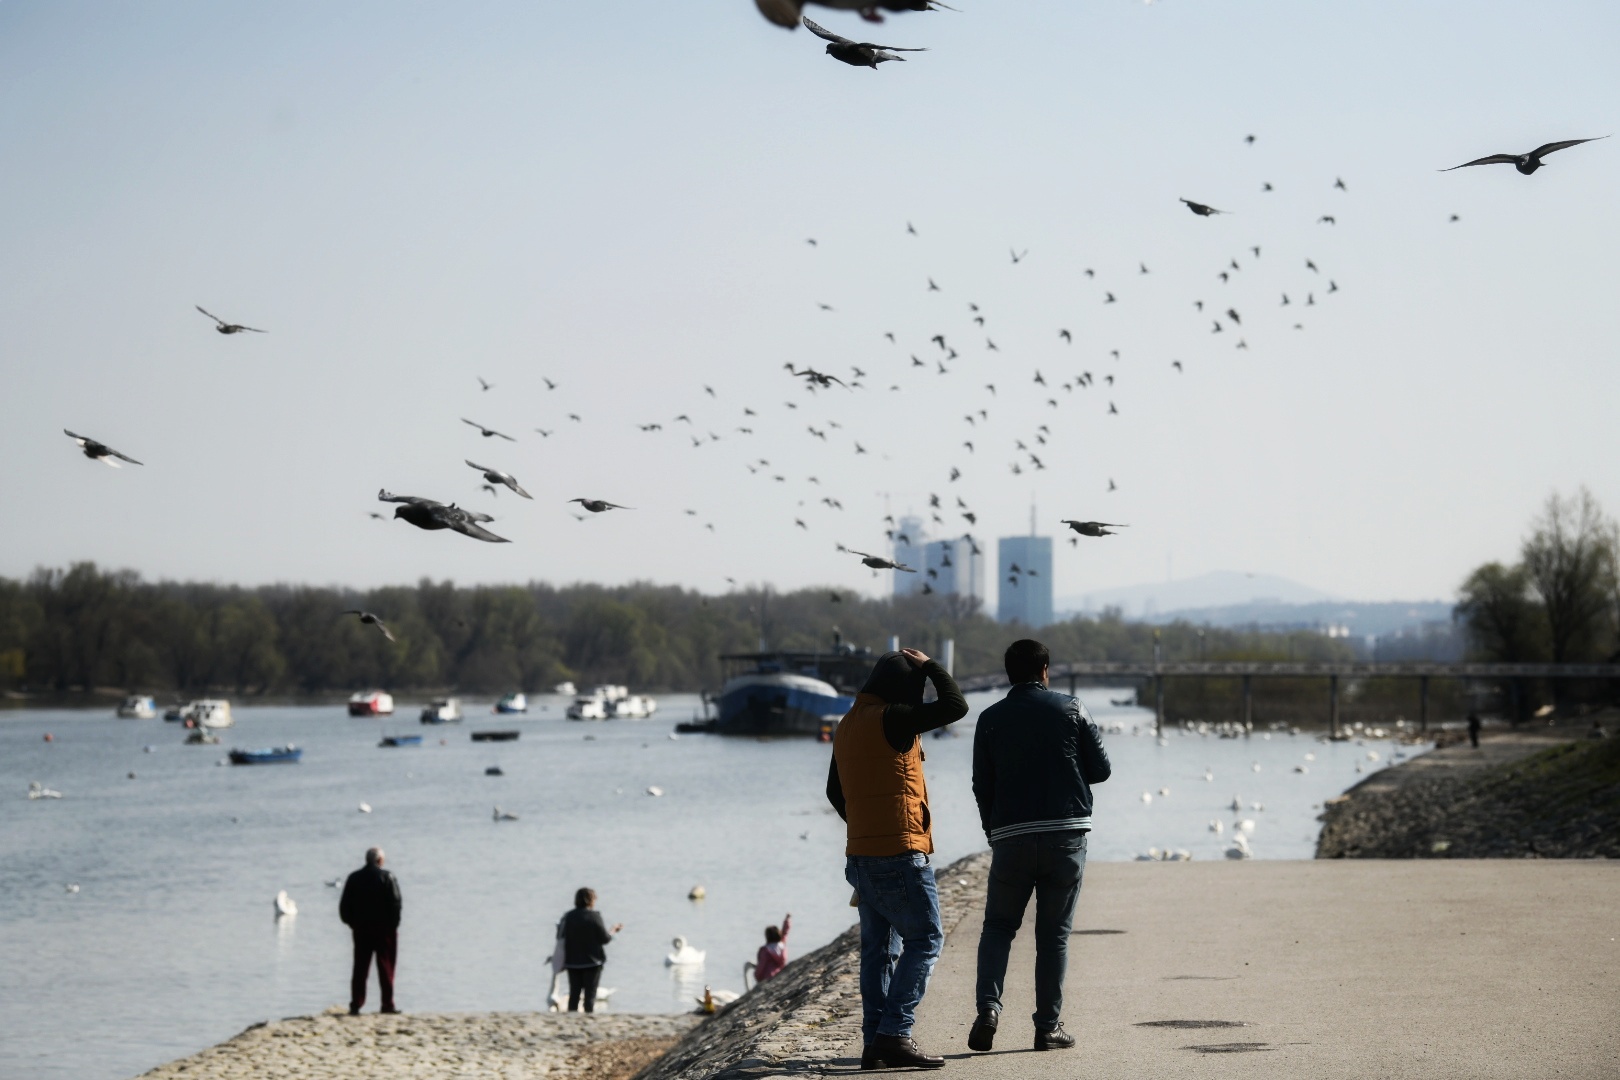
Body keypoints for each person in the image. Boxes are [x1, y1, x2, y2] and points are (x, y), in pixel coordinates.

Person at [827, 647, 967, 1070]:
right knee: (926, 940)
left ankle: (874, 1042)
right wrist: (931, 666)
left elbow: (835, 792)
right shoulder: (895, 718)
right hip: (901, 854)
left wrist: (866, 824)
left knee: (878, 952)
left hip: (862, 856)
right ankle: (894, 1033)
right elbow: (955, 706)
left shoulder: (847, 724)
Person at [968, 639, 1111, 1053]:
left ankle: (988, 1010)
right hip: (1065, 835)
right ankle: (1047, 1027)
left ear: (1008, 673)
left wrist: (992, 831)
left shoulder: (989, 718)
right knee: (1053, 937)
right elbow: (1100, 770)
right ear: (1046, 670)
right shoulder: (1073, 708)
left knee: (998, 927)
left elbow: (982, 784)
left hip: (1010, 837)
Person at [339, 846, 402, 1015]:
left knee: (360, 967)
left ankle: (356, 1004)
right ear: (380, 860)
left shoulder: (354, 878)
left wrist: (351, 923)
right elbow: (396, 903)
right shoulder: (388, 876)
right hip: (384, 931)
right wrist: (393, 926)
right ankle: (387, 1004)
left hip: (361, 929)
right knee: (386, 967)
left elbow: (344, 906)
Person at [558, 887, 621, 1013]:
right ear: (591, 900)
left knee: (574, 994)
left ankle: (571, 1019)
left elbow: (560, 936)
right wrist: (613, 931)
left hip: (572, 962)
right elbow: (604, 939)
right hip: (592, 962)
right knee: (589, 996)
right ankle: (588, 1018)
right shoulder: (594, 917)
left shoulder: (568, 917)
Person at [749, 914, 793, 984]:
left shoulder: (765, 951)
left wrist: (757, 976)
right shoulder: (781, 945)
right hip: (780, 975)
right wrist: (787, 920)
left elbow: (761, 967)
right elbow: (785, 933)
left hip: (768, 977)